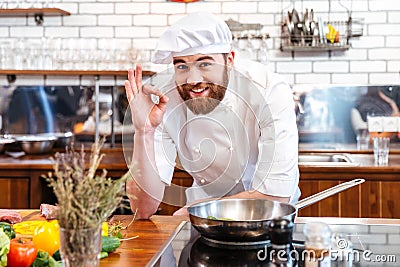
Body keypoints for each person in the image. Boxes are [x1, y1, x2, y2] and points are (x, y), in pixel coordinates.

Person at [124, 12, 300, 219]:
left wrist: (201, 209)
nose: (193, 79)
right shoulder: (164, 100)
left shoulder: (268, 90)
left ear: (230, 60)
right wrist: (143, 131)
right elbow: (142, 209)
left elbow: (275, 197)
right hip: (203, 225)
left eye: (205, 63)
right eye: (181, 66)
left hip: (267, 220)